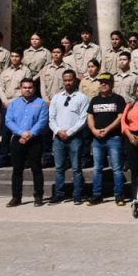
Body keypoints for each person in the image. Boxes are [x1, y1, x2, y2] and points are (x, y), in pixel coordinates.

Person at [4, 78, 49, 207]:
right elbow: (8, 121)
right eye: (25, 87)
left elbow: (42, 121)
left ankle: (38, 196)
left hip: (34, 140)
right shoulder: (14, 104)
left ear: (34, 89)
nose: (27, 90)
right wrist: (21, 133)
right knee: (17, 170)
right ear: (21, 89)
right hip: (18, 139)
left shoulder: (40, 103)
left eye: (30, 87)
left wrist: (30, 134)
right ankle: (16, 197)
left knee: (36, 169)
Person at [86, 73, 127, 206]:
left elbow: (120, 117)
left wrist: (107, 129)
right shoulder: (94, 100)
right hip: (97, 139)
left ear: (112, 84)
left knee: (117, 168)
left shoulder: (118, 99)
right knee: (97, 168)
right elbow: (90, 116)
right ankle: (97, 195)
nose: (103, 84)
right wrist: (93, 130)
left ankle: (119, 195)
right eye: (101, 82)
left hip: (113, 138)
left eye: (106, 82)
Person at [48, 70, 89, 204]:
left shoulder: (82, 97)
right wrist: (59, 131)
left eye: (70, 80)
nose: (68, 82)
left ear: (75, 80)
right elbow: (51, 118)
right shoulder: (56, 97)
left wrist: (69, 132)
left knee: (76, 168)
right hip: (58, 138)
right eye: (65, 80)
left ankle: (77, 194)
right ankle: (59, 194)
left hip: (75, 138)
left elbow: (83, 119)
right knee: (59, 168)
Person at [0, 49, 31, 169]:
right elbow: (1, 87)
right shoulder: (5, 72)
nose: (14, 58)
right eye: (12, 56)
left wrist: (12, 101)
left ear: (21, 57)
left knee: (21, 131)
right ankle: (3, 157)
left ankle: (23, 158)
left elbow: (26, 88)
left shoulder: (26, 71)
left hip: (20, 103)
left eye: (17, 56)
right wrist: (4, 100)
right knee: (5, 132)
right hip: (6, 104)